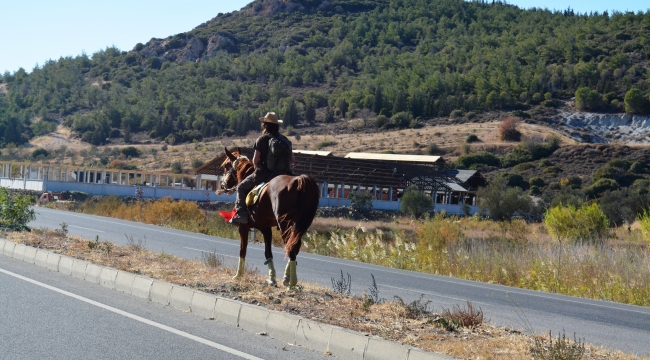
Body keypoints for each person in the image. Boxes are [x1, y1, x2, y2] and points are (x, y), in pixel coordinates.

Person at [231, 112, 295, 224]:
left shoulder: (262, 139)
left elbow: (255, 160)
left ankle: (241, 215)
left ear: (265, 125)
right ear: (277, 125)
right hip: (286, 174)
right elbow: (292, 160)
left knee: (241, 187)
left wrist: (257, 169)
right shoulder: (285, 140)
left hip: (265, 174)